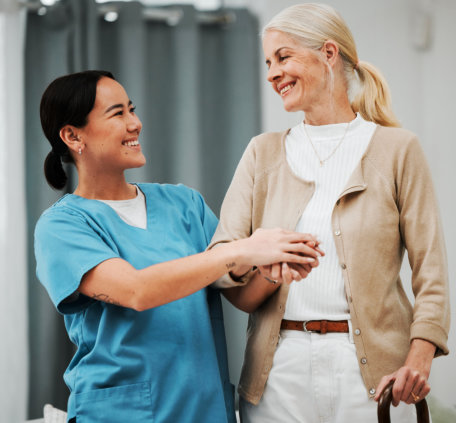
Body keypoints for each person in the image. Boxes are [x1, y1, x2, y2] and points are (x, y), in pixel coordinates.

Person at [34, 70, 321, 423]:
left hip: (204, 409)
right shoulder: (62, 226)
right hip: (120, 414)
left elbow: (241, 296)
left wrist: (278, 267)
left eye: (132, 110)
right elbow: (136, 291)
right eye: (117, 113)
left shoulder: (185, 204)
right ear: (72, 135)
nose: (135, 123)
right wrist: (240, 250)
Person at [208, 3, 450, 422]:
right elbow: (223, 260)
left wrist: (421, 353)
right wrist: (265, 268)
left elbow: (432, 271)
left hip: (375, 376)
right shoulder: (261, 153)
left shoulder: (397, 150)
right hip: (278, 373)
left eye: (283, 57)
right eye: (268, 62)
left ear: (328, 53)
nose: (271, 74)